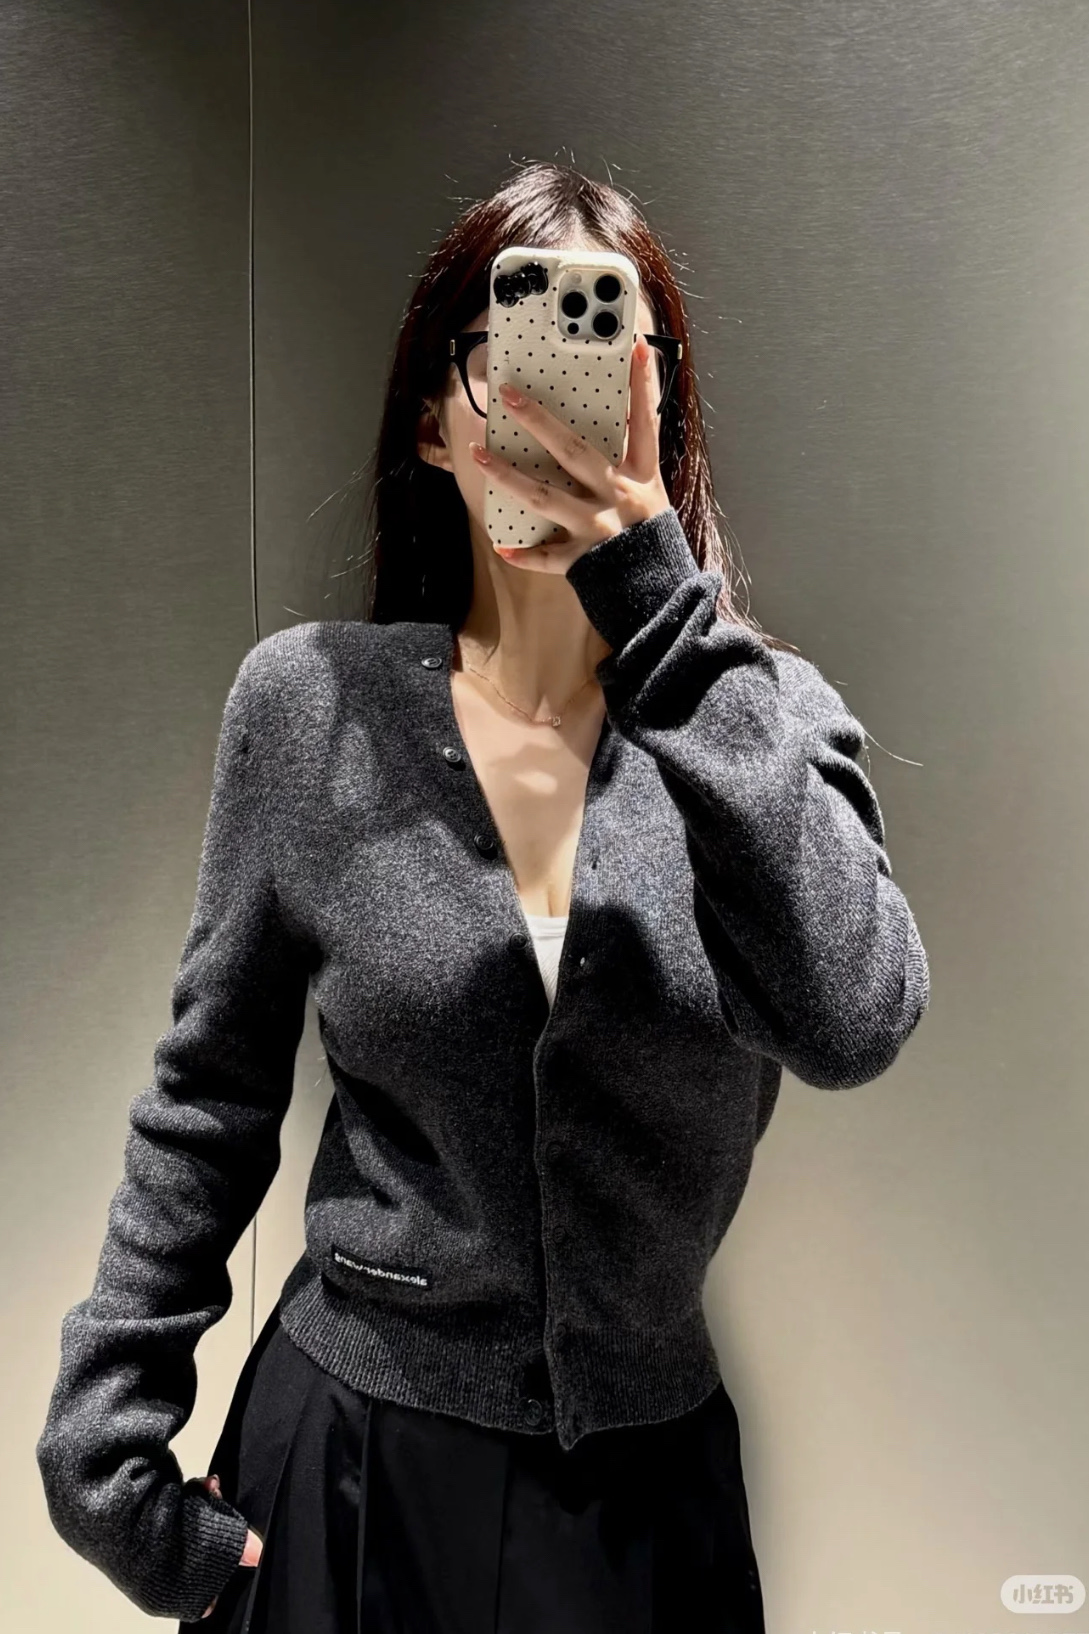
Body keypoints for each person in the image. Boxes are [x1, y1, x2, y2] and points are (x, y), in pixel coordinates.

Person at [35, 161, 930, 1634]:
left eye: (601, 355)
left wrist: (658, 604)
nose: (545, 405)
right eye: (506, 353)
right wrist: (103, 1437)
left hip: (641, 1504)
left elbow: (852, 1017)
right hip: (349, 1459)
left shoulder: (758, 722)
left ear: (658, 412)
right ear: (433, 420)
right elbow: (210, 1093)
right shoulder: (309, 707)